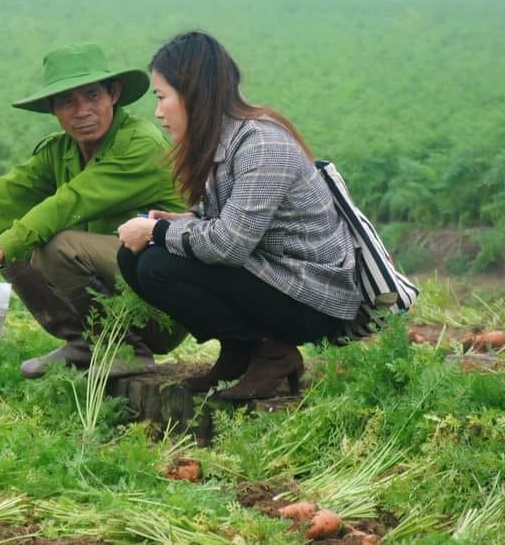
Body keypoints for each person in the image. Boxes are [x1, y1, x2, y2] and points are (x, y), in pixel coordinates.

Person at [0, 43, 187, 379]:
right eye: (67, 101)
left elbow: (67, 203)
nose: (82, 110)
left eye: (91, 96)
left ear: (113, 94)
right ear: (53, 109)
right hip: (120, 287)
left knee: (57, 245)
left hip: (165, 299)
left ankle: (128, 350)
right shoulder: (60, 152)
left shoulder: (140, 145)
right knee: (18, 245)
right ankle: (84, 342)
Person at [116, 31, 364, 400]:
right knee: (132, 257)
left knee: (157, 263)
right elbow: (232, 229)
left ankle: (272, 353)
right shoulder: (224, 143)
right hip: (272, 275)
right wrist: (178, 223)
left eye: (161, 96)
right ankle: (240, 349)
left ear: (192, 92)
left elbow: (229, 246)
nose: (157, 111)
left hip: (312, 294)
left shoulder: (261, 144)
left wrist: (157, 230)